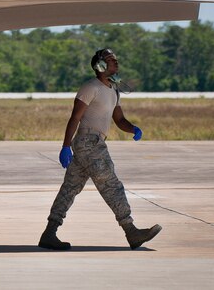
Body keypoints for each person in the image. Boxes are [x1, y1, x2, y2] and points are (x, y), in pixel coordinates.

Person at [38, 48, 162, 250]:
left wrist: (133, 129)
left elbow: (119, 119)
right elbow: (75, 118)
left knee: (69, 189)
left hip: (93, 143)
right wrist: (65, 146)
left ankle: (49, 233)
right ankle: (131, 231)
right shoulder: (90, 87)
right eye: (112, 61)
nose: (116, 63)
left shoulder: (113, 90)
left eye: (116, 60)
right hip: (89, 142)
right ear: (101, 66)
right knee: (111, 184)